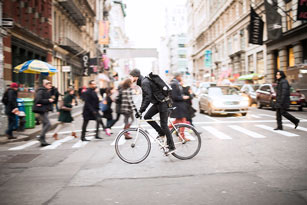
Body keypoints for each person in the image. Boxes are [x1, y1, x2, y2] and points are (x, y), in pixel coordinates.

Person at [130, 69, 176, 154]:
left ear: (135, 76)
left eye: (131, 76)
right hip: (158, 103)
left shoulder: (145, 82)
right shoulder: (143, 82)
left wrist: (141, 111)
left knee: (164, 125)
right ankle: (161, 133)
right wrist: (140, 111)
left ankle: (172, 146)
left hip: (163, 103)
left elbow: (147, 98)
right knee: (147, 117)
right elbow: (145, 98)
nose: (130, 78)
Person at [169, 72, 190, 141]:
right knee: (183, 122)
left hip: (179, 106)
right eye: (180, 76)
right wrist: (183, 97)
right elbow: (174, 96)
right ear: (177, 76)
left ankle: (181, 136)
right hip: (178, 106)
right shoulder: (174, 84)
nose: (181, 77)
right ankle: (181, 136)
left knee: (177, 122)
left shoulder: (176, 83)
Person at [34, 79, 54, 146]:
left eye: (50, 85)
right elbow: (38, 100)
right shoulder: (41, 91)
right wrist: (48, 100)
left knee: (44, 125)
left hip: (45, 110)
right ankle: (40, 136)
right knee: (48, 124)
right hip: (41, 110)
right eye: (49, 85)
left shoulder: (46, 91)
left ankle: (43, 141)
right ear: (45, 85)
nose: (50, 86)